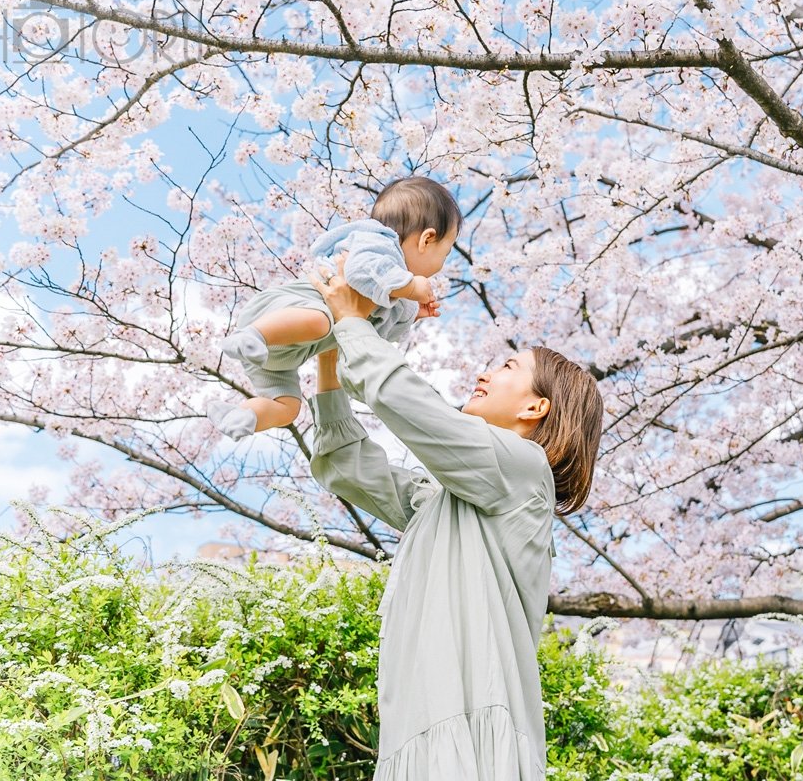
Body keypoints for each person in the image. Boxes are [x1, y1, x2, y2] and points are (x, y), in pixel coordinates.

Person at [306, 253, 604, 780]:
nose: (485, 372)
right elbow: (350, 467)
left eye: (508, 368)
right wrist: (331, 355)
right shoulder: (449, 498)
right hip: (423, 731)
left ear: (536, 408)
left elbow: (415, 407)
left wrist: (354, 323)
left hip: (470, 733)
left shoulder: (522, 470)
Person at [207, 176, 462, 439]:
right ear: (427, 240)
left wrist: (410, 316)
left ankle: (243, 416)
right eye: (445, 253)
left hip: (283, 355)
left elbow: (373, 338)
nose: (441, 265)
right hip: (285, 312)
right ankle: (251, 336)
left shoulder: (391, 290)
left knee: (288, 408)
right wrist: (409, 287)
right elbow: (359, 270)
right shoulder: (378, 244)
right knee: (320, 322)